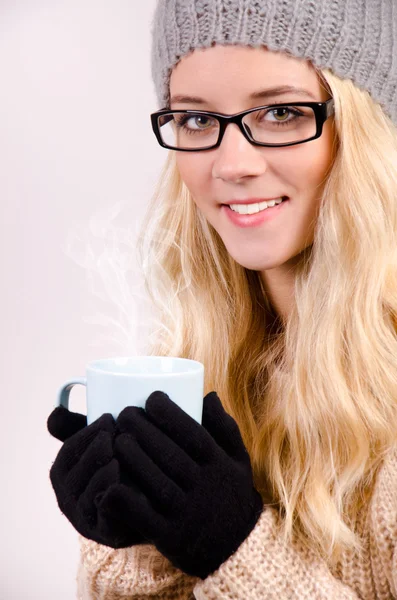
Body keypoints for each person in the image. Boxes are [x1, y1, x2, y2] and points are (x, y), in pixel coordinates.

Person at [47, 1, 397, 598]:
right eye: (196, 121)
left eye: (283, 112)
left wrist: (232, 545)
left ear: (366, 127)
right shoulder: (196, 358)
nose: (231, 165)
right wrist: (138, 545)